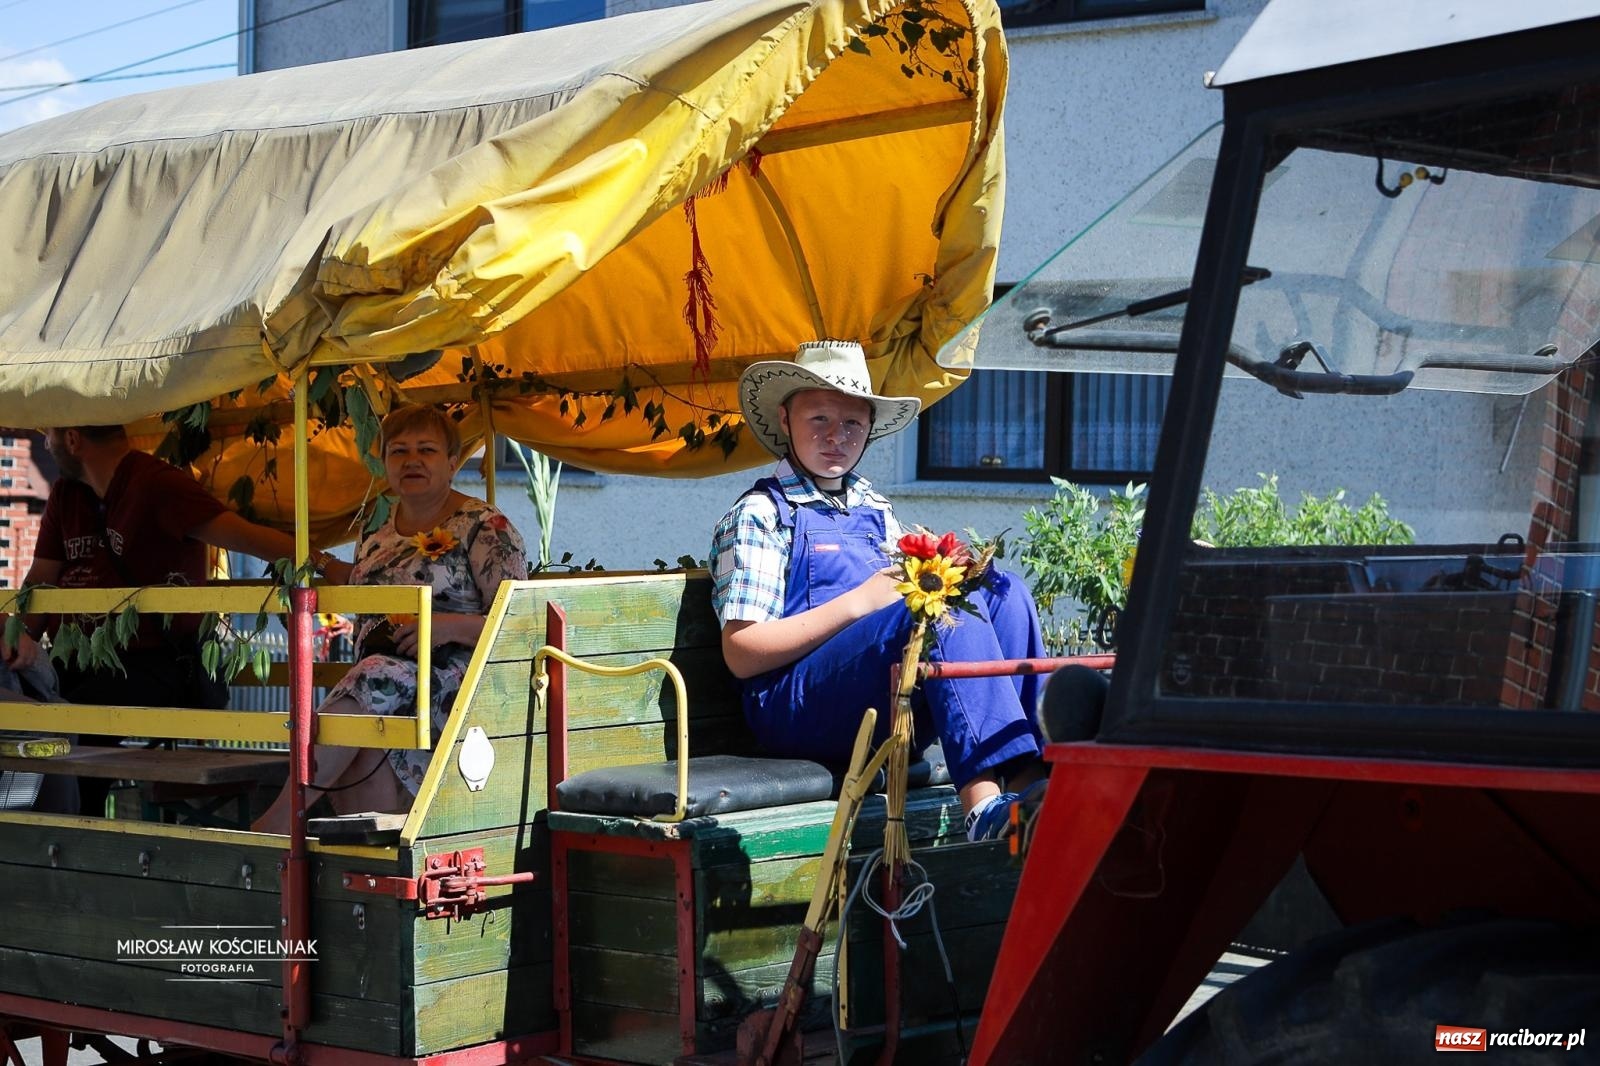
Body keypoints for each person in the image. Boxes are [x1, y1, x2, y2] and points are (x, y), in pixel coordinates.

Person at [711, 340, 1051, 842]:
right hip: (793, 709)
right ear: (785, 419)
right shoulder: (760, 514)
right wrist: (860, 601)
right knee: (932, 612)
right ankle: (982, 807)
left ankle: (1030, 790)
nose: (836, 437)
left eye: (852, 423)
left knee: (1002, 591)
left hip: (880, 694)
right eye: (819, 419)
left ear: (869, 429)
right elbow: (741, 654)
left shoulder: (875, 507)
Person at [0, 423, 353, 816]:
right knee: (22, 707)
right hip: (81, 660)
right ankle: (30, 832)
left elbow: (246, 537)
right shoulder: (67, 494)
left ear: (72, 439)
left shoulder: (157, 484)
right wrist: (14, 640)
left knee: (74, 717)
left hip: (159, 665)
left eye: (48, 434)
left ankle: (71, 840)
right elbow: (41, 581)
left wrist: (327, 563)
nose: (45, 444)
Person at [252, 404, 526, 833]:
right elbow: (360, 589)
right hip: (387, 683)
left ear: (453, 463)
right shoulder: (375, 532)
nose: (411, 460)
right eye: (398, 451)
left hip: (458, 682)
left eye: (426, 450)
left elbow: (519, 622)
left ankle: (280, 820)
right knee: (361, 749)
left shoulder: (485, 526)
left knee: (372, 678)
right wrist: (315, 565)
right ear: (384, 463)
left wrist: (445, 627)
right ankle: (370, 874)